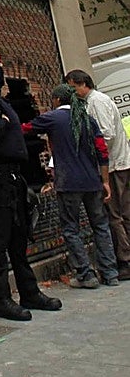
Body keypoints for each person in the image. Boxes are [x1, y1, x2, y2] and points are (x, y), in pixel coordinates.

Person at [0, 53, 62, 321]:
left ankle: (29, 292)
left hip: (13, 176)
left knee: (18, 237)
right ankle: (2, 299)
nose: (1, 72)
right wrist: (3, 122)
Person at [22, 84, 119, 287]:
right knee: (101, 226)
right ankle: (110, 273)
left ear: (57, 100)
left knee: (70, 229)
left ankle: (86, 274)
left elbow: (26, 129)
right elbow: (102, 151)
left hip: (68, 183)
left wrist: (7, 123)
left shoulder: (53, 118)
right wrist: (105, 181)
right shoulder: (87, 119)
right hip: (92, 181)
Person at [66, 69, 130, 281]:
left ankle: (124, 260)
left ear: (82, 84)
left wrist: (93, 157)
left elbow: (105, 134)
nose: (73, 93)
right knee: (123, 213)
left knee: (115, 215)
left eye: (73, 88)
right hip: (118, 163)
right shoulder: (97, 101)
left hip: (113, 166)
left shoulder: (96, 102)